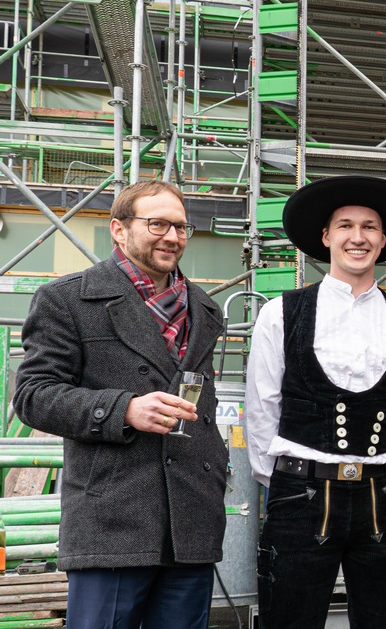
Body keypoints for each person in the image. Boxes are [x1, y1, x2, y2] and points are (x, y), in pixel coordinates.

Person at [13, 180, 226, 629]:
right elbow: (33, 395)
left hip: (192, 518)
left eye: (181, 227)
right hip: (112, 517)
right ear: (118, 229)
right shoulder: (68, 298)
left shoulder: (205, 309)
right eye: (157, 224)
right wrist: (124, 409)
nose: (172, 236)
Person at [244, 175, 386, 629]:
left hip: (383, 495)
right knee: (289, 620)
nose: (358, 237)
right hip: (300, 492)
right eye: (345, 225)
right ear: (326, 237)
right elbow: (261, 408)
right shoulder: (280, 312)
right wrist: (288, 481)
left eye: (369, 227)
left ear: (384, 241)